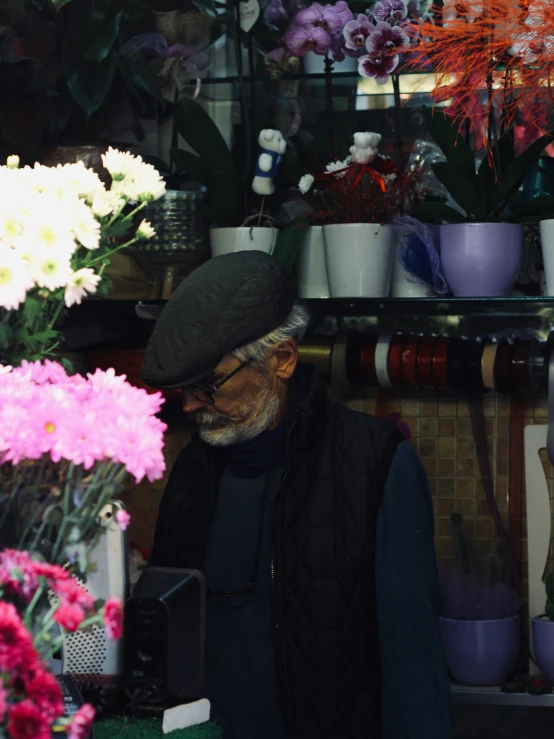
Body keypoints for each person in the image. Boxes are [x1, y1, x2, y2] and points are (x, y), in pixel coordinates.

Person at [141, 251, 452, 739]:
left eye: (207, 385)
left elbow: (413, 664)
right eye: (184, 388)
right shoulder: (194, 469)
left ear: (281, 360)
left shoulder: (375, 463)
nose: (190, 405)